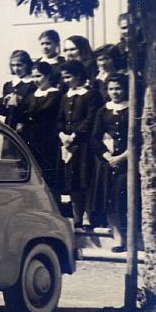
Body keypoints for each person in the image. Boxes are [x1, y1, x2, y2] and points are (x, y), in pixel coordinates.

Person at [56, 60, 102, 228]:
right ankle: (77, 217)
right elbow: (59, 119)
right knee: (73, 181)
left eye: (69, 77)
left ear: (79, 76)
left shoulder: (91, 94)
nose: (66, 81)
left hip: (84, 143)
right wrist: (62, 134)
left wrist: (74, 135)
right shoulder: (65, 96)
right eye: (64, 78)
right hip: (67, 143)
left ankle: (89, 216)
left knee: (85, 180)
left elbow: (91, 119)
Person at [91, 74, 132, 252]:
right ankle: (118, 238)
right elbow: (95, 137)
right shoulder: (103, 111)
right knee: (109, 200)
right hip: (107, 162)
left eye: (118, 88)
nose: (115, 92)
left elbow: (138, 137)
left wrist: (123, 156)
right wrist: (108, 156)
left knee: (124, 199)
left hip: (127, 161)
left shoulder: (132, 109)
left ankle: (130, 236)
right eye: (111, 89)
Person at [22, 61, 64, 206]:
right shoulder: (32, 95)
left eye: (39, 76)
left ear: (47, 75)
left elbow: (44, 112)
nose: (35, 79)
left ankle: (52, 204)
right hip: (32, 139)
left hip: (48, 139)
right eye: (33, 76)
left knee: (49, 172)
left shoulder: (55, 94)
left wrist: (30, 114)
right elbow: (23, 112)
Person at [0, 50, 34, 132]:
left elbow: (33, 109)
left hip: (26, 128)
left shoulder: (32, 84)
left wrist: (19, 101)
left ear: (27, 65)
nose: (16, 69)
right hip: (10, 127)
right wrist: (5, 102)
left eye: (19, 65)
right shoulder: (8, 85)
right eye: (13, 65)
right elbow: (1, 111)